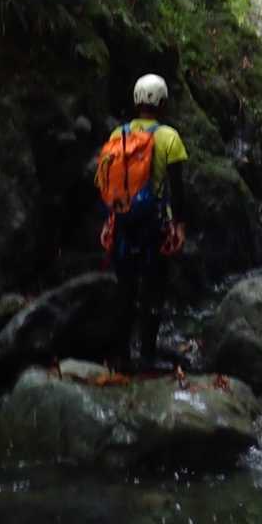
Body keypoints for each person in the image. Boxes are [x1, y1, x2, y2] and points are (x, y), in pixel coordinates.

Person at [107, 72, 188, 369]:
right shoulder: (169, 137)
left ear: (136, 101)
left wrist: (110, 219)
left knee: (125, 288)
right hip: (154, 223)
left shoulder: (118, 135)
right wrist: (179, 226)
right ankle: (147, 356)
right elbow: (178, 189)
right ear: (163, 103)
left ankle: (120, 356)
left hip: (123, 221)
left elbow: (109, 182)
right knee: (153, 289)